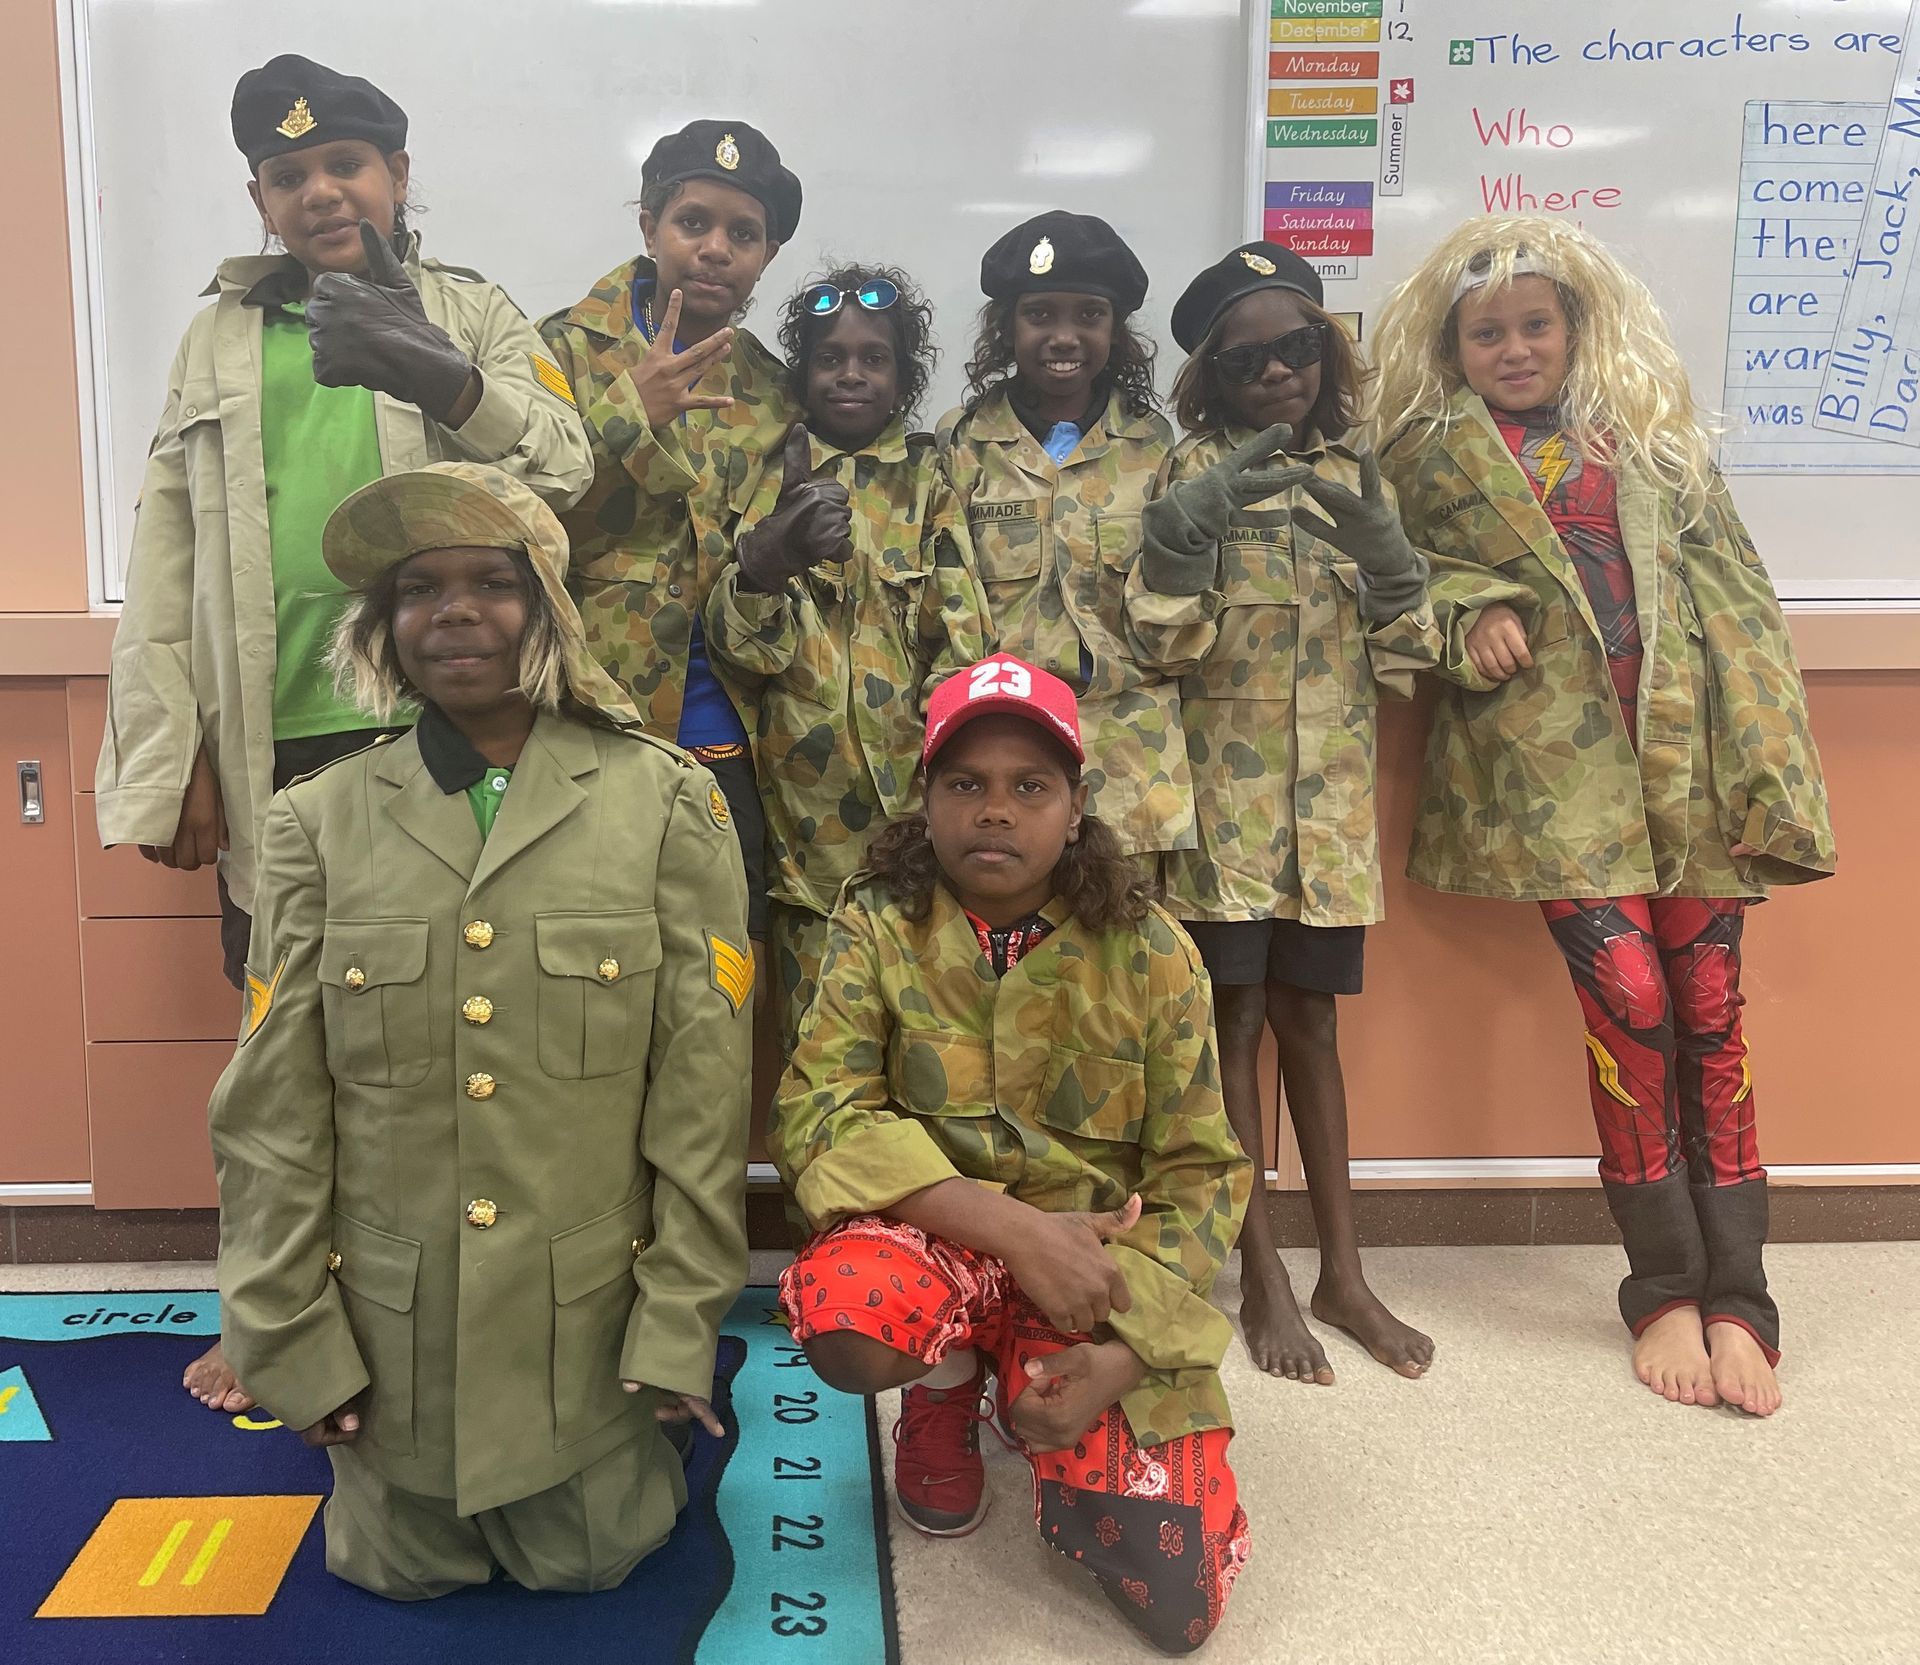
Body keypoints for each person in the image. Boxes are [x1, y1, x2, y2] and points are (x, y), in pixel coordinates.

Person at [94, 52, 592, 1414]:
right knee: (287, 1055)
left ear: (398, 174)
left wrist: (446, 376)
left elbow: (568, 467)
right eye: (288, 174)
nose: (320, 191)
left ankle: (445, 1303)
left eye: (346, 164)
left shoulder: (471, 311)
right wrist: (177, 757)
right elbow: (165, 559)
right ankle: (273, 1310)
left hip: (443, 742)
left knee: (453, 1034)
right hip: (275, 757)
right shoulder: (216, 342)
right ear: (258, 197)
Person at [208, 460, 753, 1597]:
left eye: (492, 583)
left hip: (584, 1340)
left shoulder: (665, 804)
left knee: (594, 1561)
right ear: (384, 627)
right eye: (419, 589)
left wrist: (678, 1325)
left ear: (548, 608)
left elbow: (702, 1098)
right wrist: (289, 1338)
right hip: (399, 1349)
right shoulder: (316, 823)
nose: (453, 611)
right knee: (396, 1571)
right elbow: (273, 1114)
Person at [1371, 215, 1836, 1416]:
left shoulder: (1651, 439)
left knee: (1713, 1013)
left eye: (1536, 324)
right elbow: (1386, 588)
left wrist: (1774, 768)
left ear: (1577, 328)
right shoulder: (1426, 456)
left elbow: (1742, 605)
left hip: (1690, 770)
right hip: (1553, 784)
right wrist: (1466, 611)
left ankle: (1744, 1300)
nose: (1515, 349)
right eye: (1486, 333)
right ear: (1451, 345)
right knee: (1628, 1006)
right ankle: (1664, 1286)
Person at [771, 655, 1252, 1655]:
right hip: (940, 1243)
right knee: (847, 1314)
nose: (995, 809)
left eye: (1030, 786)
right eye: (966, 783)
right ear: (928, 802)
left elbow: (1203, 1172)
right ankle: (943, 1389)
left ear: (1076, 809)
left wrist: (1127, 1355)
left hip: (1095, 1282)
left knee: (1179, 1601)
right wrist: (1014, 1230)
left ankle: (1027, 1382)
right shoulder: (876, 925)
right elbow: (820, 1115)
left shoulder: (1155, 953)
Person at [1130, 241, 1516, 1383]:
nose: (1275, 373)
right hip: (1224, 816)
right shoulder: (1186, 468)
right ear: (1210, 375)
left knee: (1314, 1028)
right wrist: (1181, 550)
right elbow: (1158, 644)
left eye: (1297, 347)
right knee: (1233, 1028)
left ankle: (1345, 1273)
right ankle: (1261, 1277)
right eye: (1244, 360)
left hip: (1329, 818)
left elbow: (1402, 655)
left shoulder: (1361, 470)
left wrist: (1398, 578)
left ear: (1327, 352)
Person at [704, 264, 993, 1046]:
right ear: (802, 372)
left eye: (874, 358)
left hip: (918, 832)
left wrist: (951, 784)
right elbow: (740, 651)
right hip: (804, 843)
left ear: (904, 376)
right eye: (830, 358)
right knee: (818, 1052)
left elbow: (962, 642)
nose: (851, 374)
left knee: (931, 1045)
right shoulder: (763, 478)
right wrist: (768, 559)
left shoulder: (929, 482)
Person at [539, 119, 807, 941]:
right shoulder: (559, 351)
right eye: (693, 222)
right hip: (583, 717)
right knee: (584, 954)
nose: (716, 249)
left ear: (767, 254)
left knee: (721, 957)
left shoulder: (773, 390)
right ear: (650, 224)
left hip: (724, 726)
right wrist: (630, 413)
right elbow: (519, 523)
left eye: (744, 234)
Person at [937, 212, 1189, 860]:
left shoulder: (1154, 448)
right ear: (1007, 327)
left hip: (1131, 756)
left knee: (1124, 925)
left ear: (1116, 330)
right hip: (1004, 757)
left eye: (1090, 315)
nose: (1064, 335)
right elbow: (947, 603)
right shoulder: (961, 445)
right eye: (1040, 314)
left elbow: (1174, 610)